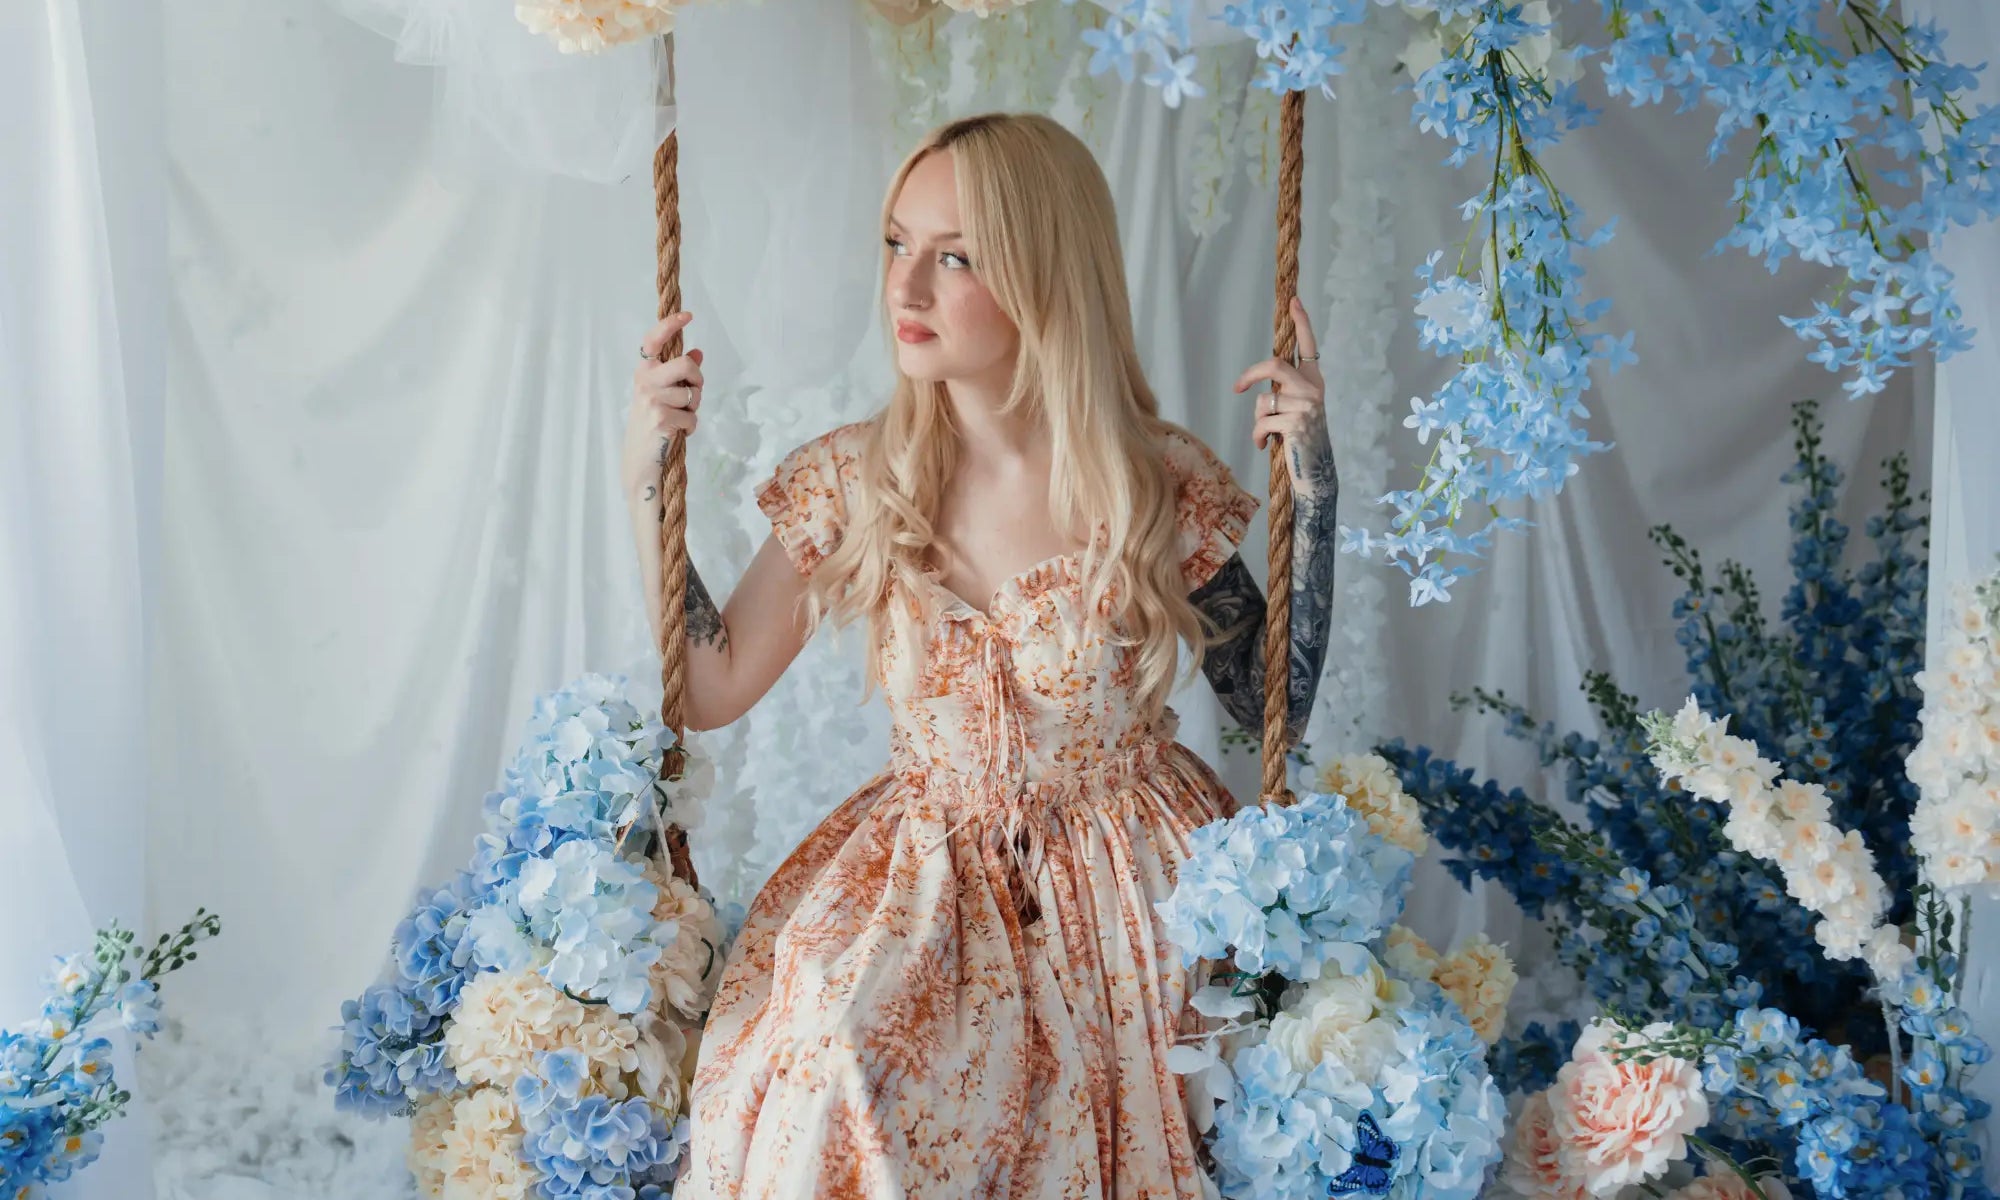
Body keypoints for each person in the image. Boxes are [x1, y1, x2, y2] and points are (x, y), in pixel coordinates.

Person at [621, 112, 1339, 1198]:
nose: (904, 288)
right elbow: (710, 686)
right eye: (896, 244)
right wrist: (645, 478)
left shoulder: (1149, 479)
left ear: (1045, 274)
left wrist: (1314, 494)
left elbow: (1272, 703)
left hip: (1133, 882)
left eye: (954, 257)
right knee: (837, 1059)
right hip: (928, 875)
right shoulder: (856, 479)